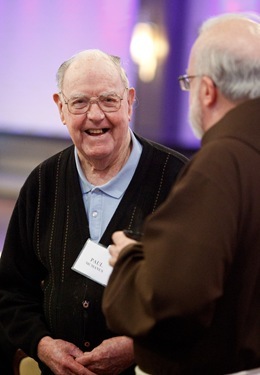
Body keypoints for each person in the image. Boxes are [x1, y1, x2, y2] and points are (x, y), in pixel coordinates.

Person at [0, 49, 187, 375]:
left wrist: (136, 347)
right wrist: (44, 346)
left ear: (129, 102)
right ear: (61, 108)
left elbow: (202, 297)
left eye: (108, 100)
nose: (95, 115)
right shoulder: (42, 184)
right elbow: (11, 291)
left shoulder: (179, 181)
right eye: (80, 103)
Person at [103, 13, 260, 375]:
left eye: (189, 82)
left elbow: (172, 300)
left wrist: (129, 260)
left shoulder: (222, 162)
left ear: (207, 90)